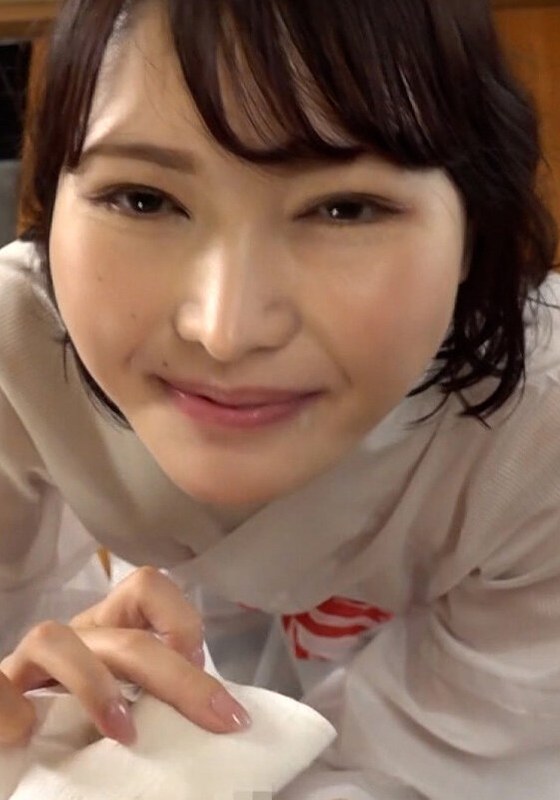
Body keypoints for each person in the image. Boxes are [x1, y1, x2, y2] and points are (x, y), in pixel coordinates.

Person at [0, 0, 559, 796]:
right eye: (144, 199)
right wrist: (49, 737)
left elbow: (445, 768)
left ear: (475, 227)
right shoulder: (19, 346)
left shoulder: (537, 435)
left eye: (344, 208)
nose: (224, 332)